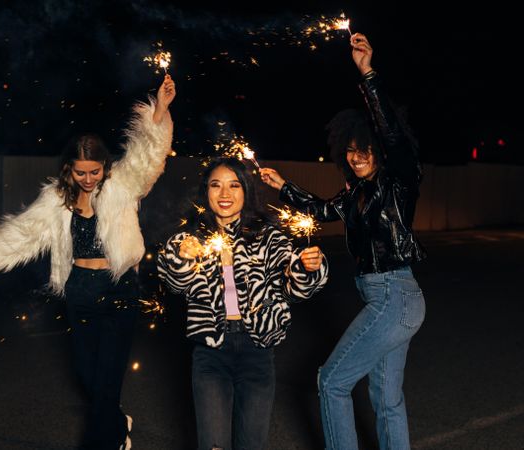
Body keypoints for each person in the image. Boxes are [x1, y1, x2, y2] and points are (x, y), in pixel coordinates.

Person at [0, 75, 176, 450]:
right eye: (81, 173)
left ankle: (104, 439)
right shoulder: (56, 201)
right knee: (90, 380)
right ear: (68, 171)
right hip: (80, 292)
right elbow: (23, 233)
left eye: (96, 172)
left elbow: (148, 156)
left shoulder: (123, 185)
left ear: (106, 167)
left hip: (120, 287)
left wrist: (160, 111)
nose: (89, 180)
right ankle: (116, 421)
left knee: (107, 381)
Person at [260, 33, 426, 450]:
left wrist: (367, 73)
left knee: (330, 382)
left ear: (378, 150)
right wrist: (284, 186)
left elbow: (392, 135)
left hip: (394, 295)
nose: (356, 156)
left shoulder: (399, 180)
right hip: (390, 298)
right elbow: (321, 211)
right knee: (386, 400)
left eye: (364, 149)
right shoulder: (356, 194)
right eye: (349, 151)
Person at [157, 157, 328, 450]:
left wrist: (307, 267)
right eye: (216, 185)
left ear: (246, 190)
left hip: (257, 351)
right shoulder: (190, 238)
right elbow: (173, 283)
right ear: (205, 191)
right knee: (213, 445)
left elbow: (295, 288)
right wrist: (182, 258)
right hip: (210, 353)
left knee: (252, 444)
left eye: (234, 185)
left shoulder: (268, 237)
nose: (225, 194)